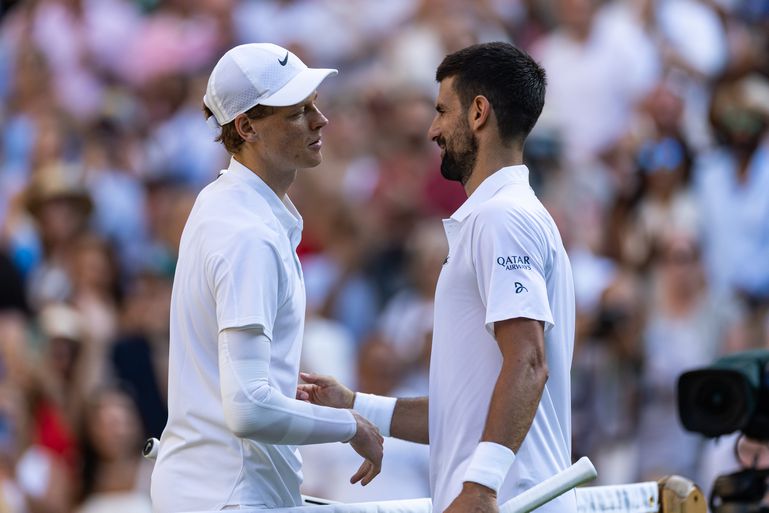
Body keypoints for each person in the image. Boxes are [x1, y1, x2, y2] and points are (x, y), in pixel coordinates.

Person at [299, 42, 576, 512]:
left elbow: (528, 362)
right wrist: (353, 403)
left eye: (442, 110)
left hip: (506, 502)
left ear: (479, 113)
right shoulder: (504, 218)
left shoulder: (501, 219)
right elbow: (461, 415)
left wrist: (481, 487)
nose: (432, 130)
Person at [149, 43, 383, 513]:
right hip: (231, 497)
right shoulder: (247, 234)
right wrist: (352, 426)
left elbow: (241, 389)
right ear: (247, 127)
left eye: (314, 106)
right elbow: (250, 408)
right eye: (298, 112)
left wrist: (280, 394)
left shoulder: (224, 205)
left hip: (216, 492)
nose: (320, 120)